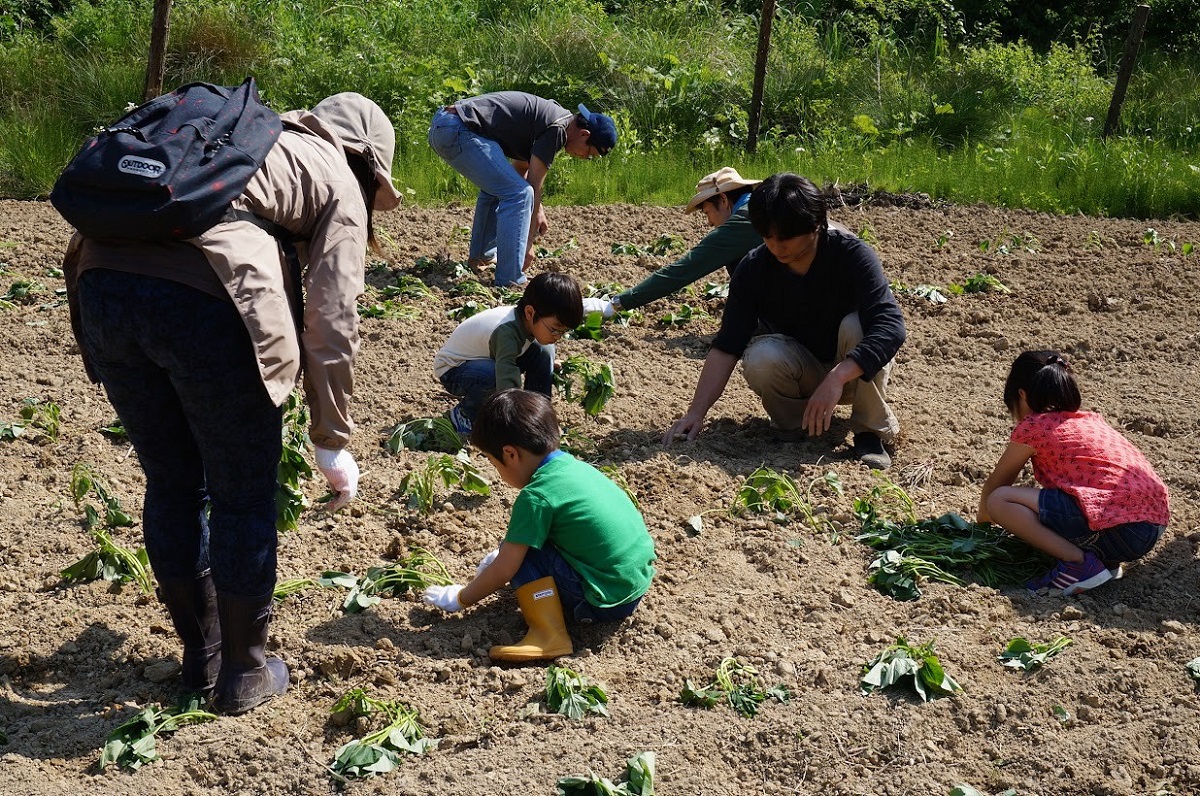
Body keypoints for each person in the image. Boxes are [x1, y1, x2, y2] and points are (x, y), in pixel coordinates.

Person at [61, 92, 402, 714]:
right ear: (367, 158)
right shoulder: (335, 175)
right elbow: (333, 317)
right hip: (205, 304)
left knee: (171, 481)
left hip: (102, 287)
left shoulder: (242, 140)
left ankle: (202, 655)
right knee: (241, 493)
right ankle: (245, 671)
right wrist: (331, 437)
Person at [663, 172, 906, 470]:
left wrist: (838, 376)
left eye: (786, 237)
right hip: (802, 369)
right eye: (767, 236)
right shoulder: (754, 268)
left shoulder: (851, 254)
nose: (777, 246)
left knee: (858, 326)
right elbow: (727, 346)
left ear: (816, 225)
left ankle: (869, 431)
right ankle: (796, 423)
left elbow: (890, 325)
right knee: (762, 356)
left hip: (853, 372)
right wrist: (695, 412)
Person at [422, 389, 656, 661]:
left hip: (601, 602)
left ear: (510, 454)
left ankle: (549, 635)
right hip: (633, 585)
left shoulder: (536, 495)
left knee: (520, 556)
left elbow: (504, 569)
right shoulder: (576, 468)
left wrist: (461, 598)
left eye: (493, 462)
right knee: (521, 548)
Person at [978, 350, 1169, 595]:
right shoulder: (1091, 421)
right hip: (1151, 529)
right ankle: (1104, 563)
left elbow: (997, 485)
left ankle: (1079, 564)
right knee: (1069, 496)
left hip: (1120, 530)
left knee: (1000, 499)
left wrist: (982, 525)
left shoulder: (1034, 426)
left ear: (1022, 396)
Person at [428, 91, 617, 287]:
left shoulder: (555, 119)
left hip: (447, 126)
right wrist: (527, 244)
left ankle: (481, 257)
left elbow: (520, 171)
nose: (584, 158)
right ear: (584, 135)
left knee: (501, 188)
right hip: (457, 130)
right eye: (589, 153)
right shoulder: (557, 129)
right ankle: (511, 280)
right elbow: (530, 190)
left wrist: (538, 209)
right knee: (519, 194)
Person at [434, 272, 588, 435]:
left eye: (563, 332)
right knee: (494, 376)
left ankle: (539, 415)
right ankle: (464, 415)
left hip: (486, 358)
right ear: (530, 313)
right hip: (454, 371)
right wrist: (516, 421)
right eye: (555, 330)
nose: (557, 337)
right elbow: (506, 379)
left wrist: (548, 365)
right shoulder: (506, 332)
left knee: (544, 352)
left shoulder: (525, 322)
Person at [597, 166, 763, 316]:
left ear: (723, 199)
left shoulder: (744, 221)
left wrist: (617, 303)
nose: (709, 223)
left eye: (707, 213)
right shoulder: (759, 208)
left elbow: (684, 269)